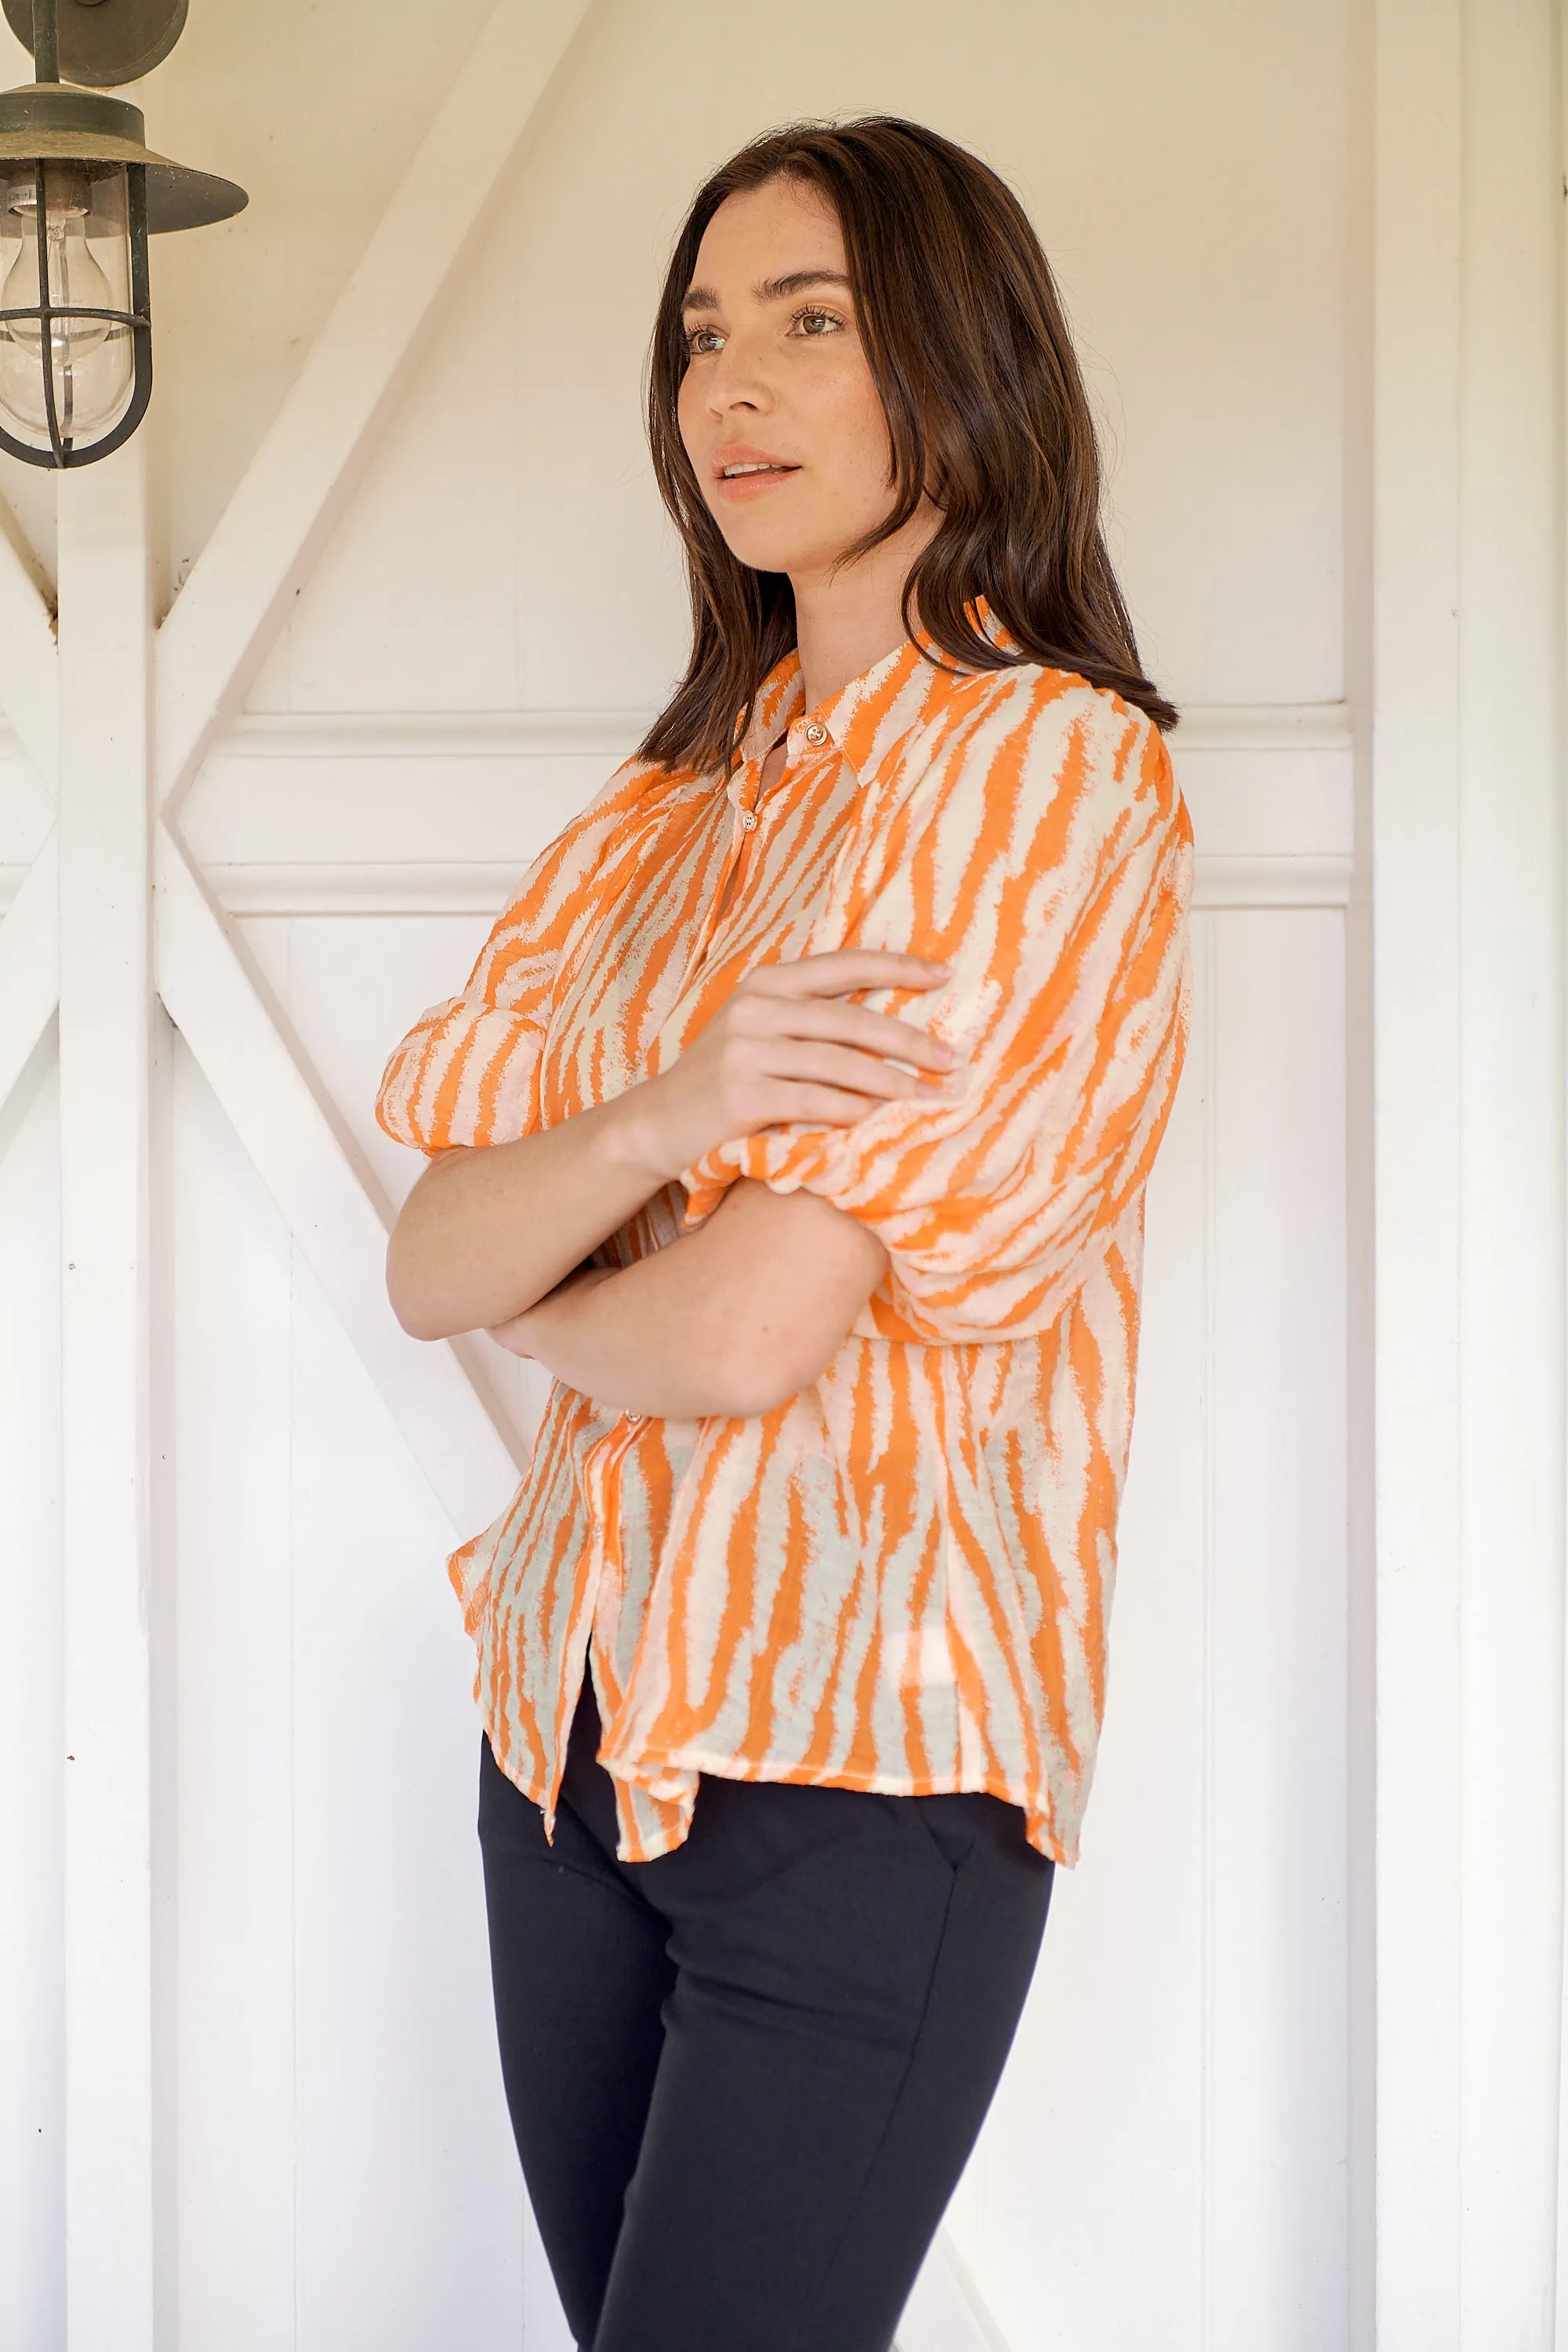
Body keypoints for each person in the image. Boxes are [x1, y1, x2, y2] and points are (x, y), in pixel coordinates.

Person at [376, 114, 1192, 2352]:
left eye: (811, 325)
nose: (727, 388)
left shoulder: (1043, 777)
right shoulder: (665, 820)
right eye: (700, 337)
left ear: (964, 355)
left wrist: (570, 1258)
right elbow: (428, 1258)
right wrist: (678, 1102)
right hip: (569, 1741)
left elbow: (748, 1329)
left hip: (869, 1772)